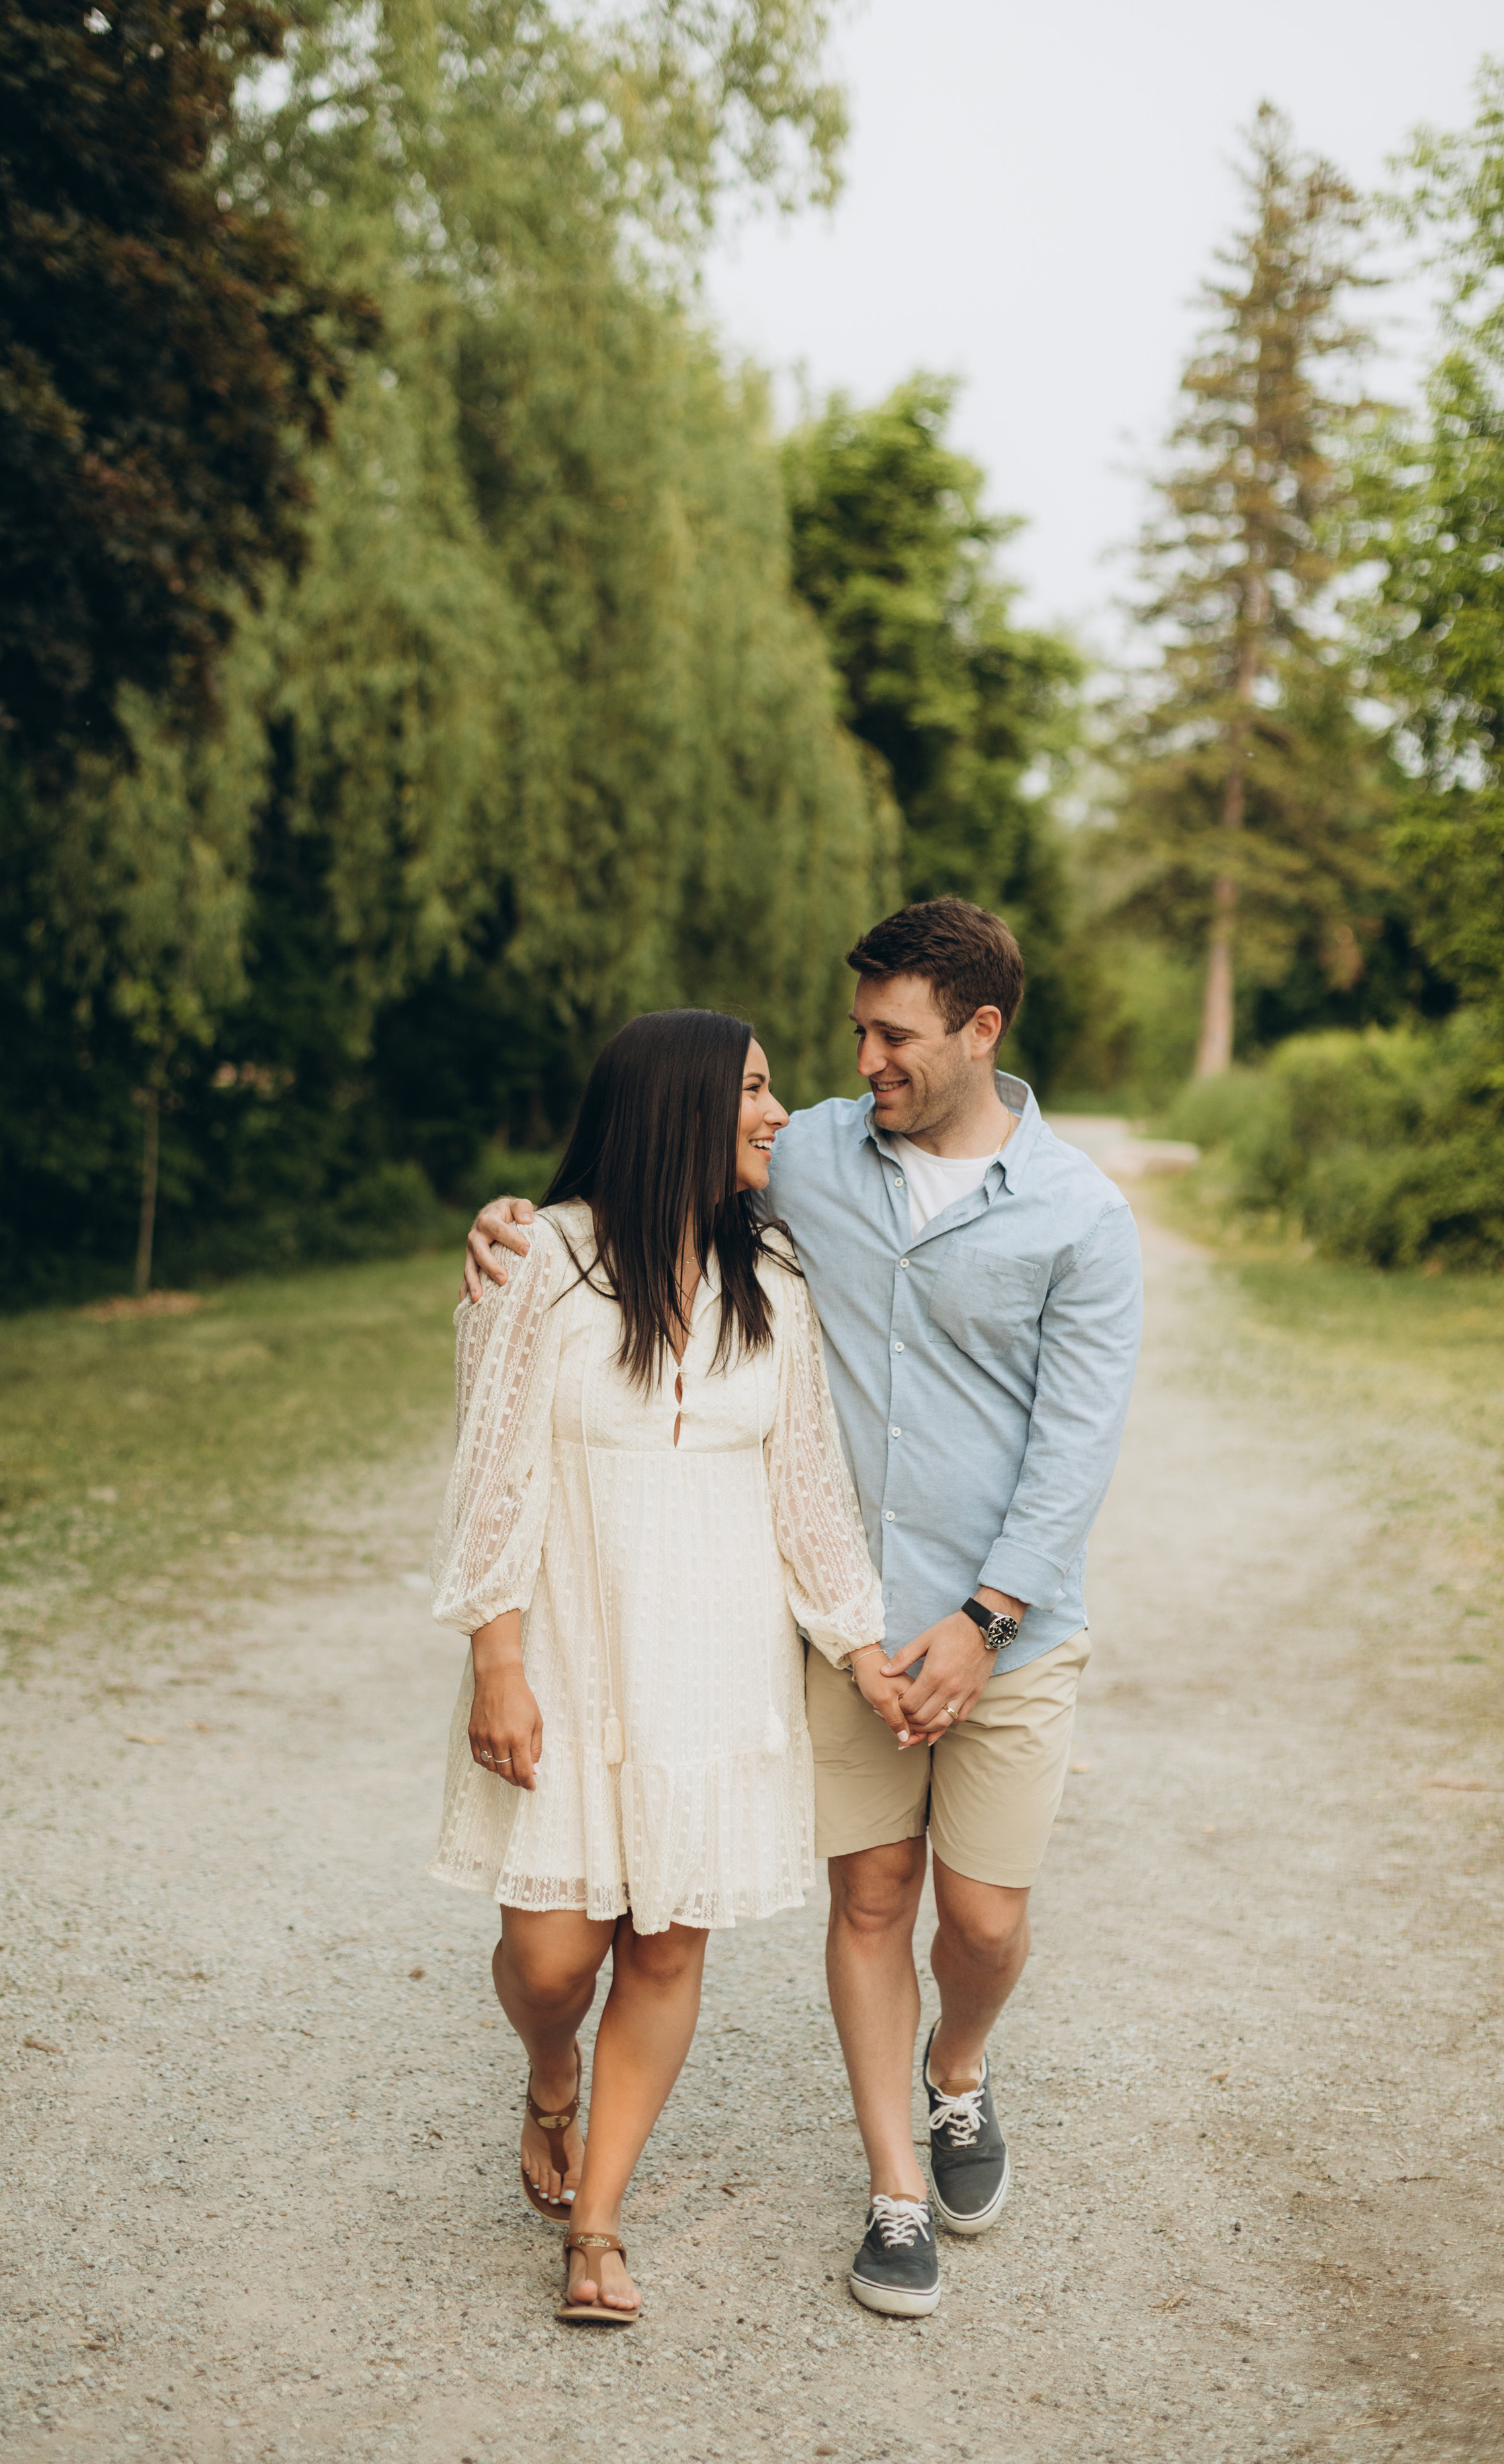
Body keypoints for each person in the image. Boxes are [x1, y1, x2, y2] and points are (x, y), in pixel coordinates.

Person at [463, 898, 1143, 2319]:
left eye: (889, 1037)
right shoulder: (798, 1165)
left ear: (978, 1031)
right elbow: (522, 1414)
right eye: (842, 1041)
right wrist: (504, 1223)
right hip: (720, 1639)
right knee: (718, 1927)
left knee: (977, 1918)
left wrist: (973, 1619)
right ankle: (796, 2158)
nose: (852, 1068)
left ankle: (933, 2090)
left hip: (944, 1628)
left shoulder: (1067, 1216)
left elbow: (1033, 1454)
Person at [431, 1008, 895, 2326]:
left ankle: (597, 2227)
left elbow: (806, 1495)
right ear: (678, 1107)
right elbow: (491, 1478)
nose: (777, 1112)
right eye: (754, 1089)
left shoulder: (777, 1287)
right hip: (571, 1658)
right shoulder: (539, 1263)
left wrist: (866, 1657)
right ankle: (545, 2075)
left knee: (666, 1949)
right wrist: (496, 1662)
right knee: (549, 1958)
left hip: (713, 1671)